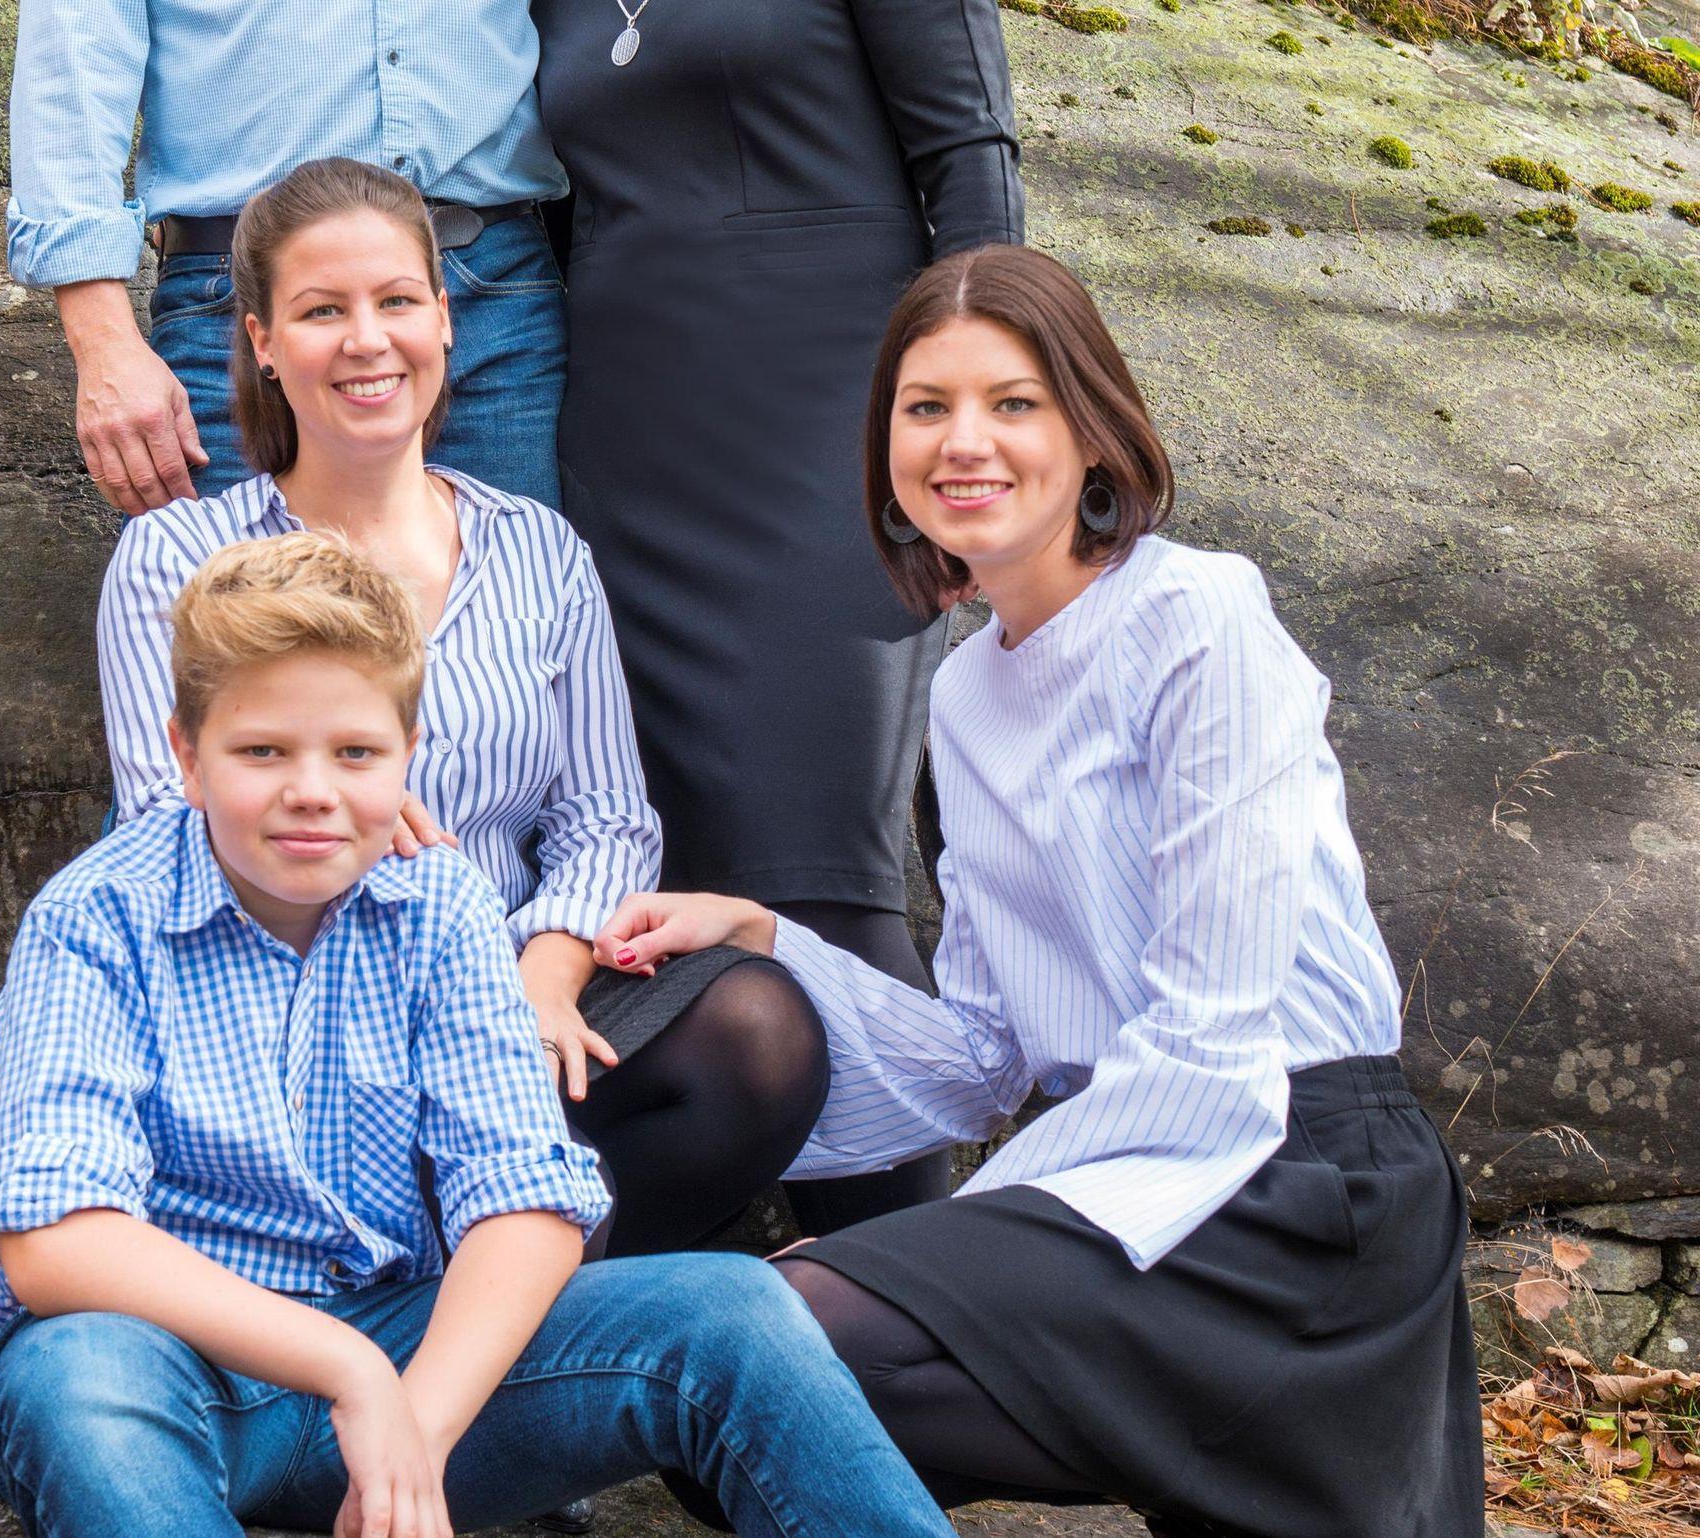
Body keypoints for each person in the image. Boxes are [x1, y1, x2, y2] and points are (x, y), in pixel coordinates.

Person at [590, 244, 1484, 1537]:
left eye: (1012, 401)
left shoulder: (1200, 616)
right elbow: (982, 1055)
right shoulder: (966, 690)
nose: (965, 440)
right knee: (734, 1389)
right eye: (925, 405)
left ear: (1091, 430)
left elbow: (1212, 1041)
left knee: (765, 1342)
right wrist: (761, 933)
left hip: (1295, 1188)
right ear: (885, 448)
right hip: (1137, 1178)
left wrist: (963, 1241)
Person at [0, 531, 956, 1538]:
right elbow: (56, 1238)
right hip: (165, 1358)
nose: (312, 789)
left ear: (407, 753)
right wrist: (346, 1367)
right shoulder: (97, 916)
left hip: (405, 1353)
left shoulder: (439, 904)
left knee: (735, 1310)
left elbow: (524, 1198)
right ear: (187, 755)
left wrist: (418, 1425)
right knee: (75, 1378)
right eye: (262, 751)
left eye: (355, 753)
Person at [97, 157, 830, 1261]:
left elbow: (605, 817)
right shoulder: (177, 557)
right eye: (322, 311)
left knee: (755, 1032)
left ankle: (521, 1301)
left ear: (445, 318)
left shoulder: (539, 549)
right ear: (261, 341)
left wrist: (542, 976)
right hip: (294, 1007)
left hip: (515, 983)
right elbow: (167, 820)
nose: (367, 340)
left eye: (397, 300)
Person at [529, 0, 1025, 1232]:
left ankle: (897, 1298)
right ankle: (668, 1302)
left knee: (821, 875)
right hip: (627, 446)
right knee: (671, 877)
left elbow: (969, 160)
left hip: (827, 428)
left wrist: (964, 434)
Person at [7, 0, 568, 513]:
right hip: (238, 302)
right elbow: (73, 51)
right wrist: (103, 344)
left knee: (515, 583)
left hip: (494, 294)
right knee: (231, 591)